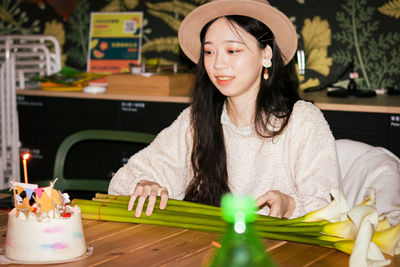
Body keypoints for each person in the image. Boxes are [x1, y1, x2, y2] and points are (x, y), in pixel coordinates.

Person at [108, 0, 341, 219]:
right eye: (209, 52)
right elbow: (121, 183)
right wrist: (145, 184)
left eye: (232, 51)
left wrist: (291, 205)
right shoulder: (195, 121)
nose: (218, 64)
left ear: (266, 54)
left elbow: (332, 208)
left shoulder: (302, 122)